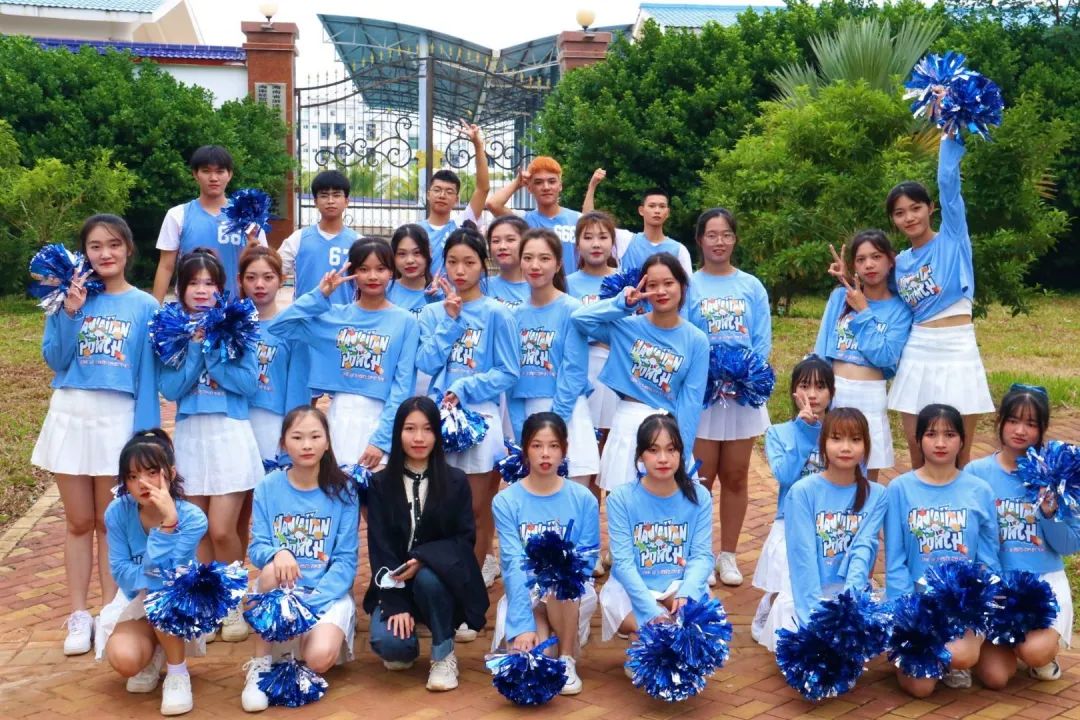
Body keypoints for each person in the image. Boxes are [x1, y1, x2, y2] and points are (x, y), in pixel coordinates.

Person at [32, 214, 160, 656]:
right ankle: (77, 614)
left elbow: (146, 375)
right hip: (72, 413)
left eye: (113, 244)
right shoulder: (66, 296)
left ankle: (109, 611)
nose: (105, 254)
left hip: (117, 420)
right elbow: (55, 359)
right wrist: (70, 311)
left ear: (128, 249)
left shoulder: (145, 305)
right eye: (95, 246)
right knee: (78, 522)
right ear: (84, 252)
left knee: (110, 523)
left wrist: (145, 436)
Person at [158, 249, 262, 642]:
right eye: (193, 283)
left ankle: (232, 603)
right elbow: (170, 388)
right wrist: (193, 348)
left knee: (221, 529)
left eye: (209, 283)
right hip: (191, 436)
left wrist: (212, 352)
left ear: (221, 288)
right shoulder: (170, 329)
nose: (201, 291)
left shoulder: (238, 325)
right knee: (198, 529)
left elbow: (247, 384)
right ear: (181, 289)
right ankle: (206, 605)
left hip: (229, 434)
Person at [875, 133, 993, 467]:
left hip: (958, 348)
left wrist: (949, 134)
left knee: (960, 453)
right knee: (918, 450)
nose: (909, 217)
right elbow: (875, 289)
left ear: (931, 208)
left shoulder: (952, 239)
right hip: (918, 351)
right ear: (893, 220)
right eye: (900, 213)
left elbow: (948, 184)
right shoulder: (899, 263)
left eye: (916, 208)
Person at [416, 225, 519, 590]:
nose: (460, 270)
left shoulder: (497, 314)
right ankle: (439, 584)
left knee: (475, 508)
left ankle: (469, 587)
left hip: (480, 419)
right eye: (452, 262)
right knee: (435, 508)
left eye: (469, 262)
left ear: (483, 265)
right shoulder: (432, 313)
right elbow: (425, 363)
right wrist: (449, 321)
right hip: (437, 421)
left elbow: (508, 371)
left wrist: (465, 387)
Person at [364, 397, 488, 691]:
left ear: (437, 434)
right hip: (395, 582)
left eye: (427, 429)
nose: (418, 438)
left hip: (440, 581)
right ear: (398, 433)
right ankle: (408, 636)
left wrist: (423, 559)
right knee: (392, 647)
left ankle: (443, 654)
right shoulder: (380, 484)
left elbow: (463, 540)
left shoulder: (455, 481)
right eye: (410, 429)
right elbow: (380, 548)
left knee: (429, 578)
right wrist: (395, 603)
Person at [241, 407, 359, 713]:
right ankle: (260, 666)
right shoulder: (268, 486)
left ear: (327, 442)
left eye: (315, 437)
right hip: (282, 591)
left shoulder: (344, 490)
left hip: (323, 596)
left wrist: (312, 604)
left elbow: (345, 561)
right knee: (270, 572)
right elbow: (257, 547)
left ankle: (302, 648)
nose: (307, 445)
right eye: (297, 437)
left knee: (318, 658)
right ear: (283, 443)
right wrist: (278, 553)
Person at [270, 239, 419, 469]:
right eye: (363, 269)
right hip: (340, 418)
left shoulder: (406, 322)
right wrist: (319, 295)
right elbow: (279, 326)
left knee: (376, 490)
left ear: (391, 272)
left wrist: (381, 441)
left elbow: (403, 385)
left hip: (381, 420)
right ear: (352, 273)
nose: (372, 276)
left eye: (380, 269)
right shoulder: (334, 316)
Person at [885, 404, 1000, 697]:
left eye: (949, 434)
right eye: (931, 434)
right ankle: (918, 658)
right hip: (918, 603)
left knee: (961, 654)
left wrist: (976, 604)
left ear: (962, 440)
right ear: (918, 440)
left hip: (962, 606)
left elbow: (988, 559)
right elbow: (895, 559)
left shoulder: (980, 490)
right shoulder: (899, 489)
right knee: (920, 689)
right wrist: (904, 612)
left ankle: (952, 659)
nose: (940, 442)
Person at [968, 385, 1079, 687]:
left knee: (1033, 651)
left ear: (1042, 429)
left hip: (1044, 583)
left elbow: (1069, 544)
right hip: (998, 585)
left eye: (1031, 424)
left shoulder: (1056, 475)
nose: (1020, 430)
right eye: (1013, 420)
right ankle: (1010, 646)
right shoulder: (977, 473)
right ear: (1000, 422)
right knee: (994, 678)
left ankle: (1042, 654)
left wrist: (1049, 513)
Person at [685, 208, 772, 587]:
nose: (719, 242)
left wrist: (746, 376)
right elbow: (682, 336)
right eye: (712, 235)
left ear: (735, 239)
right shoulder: (689, 285)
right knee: (700, 478)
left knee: (736, 475)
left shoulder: (751, 286)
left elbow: (762, 340)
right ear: (700, 240)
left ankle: (729, 554)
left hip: (741, 395)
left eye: (726, 235)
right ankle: (699, 556)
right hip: (703, 396)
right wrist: (703, 376)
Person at [573, 253, 709, 492]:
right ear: (643, 289)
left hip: (668, 432)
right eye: (652, 285)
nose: (661, 291)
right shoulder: (627, 328)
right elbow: (580, 319)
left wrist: (681, 452)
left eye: (669, 283)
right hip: (628, 426)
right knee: (622, 503)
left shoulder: (696, 340)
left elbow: (691, 403)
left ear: (682, 286)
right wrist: (622, 304)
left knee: (663, 507)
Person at [97, 430, 207, 716]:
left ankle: (178, 673)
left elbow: (169, 576)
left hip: (178, 602)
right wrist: (153, 570)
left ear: (171, 473)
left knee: (160, 592)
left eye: (151, 472)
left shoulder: (193, 518)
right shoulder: (117, 512)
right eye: (132, 476)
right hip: (135, 598)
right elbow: (121, 573)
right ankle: (155, 652)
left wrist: (169, 523)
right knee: (125, 660)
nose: (142, 483)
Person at [760, 408, 886, 653]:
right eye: (836, 438)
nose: (846, 447)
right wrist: (815, 622)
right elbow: (803, 558)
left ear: (866, 446)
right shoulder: (802, 492)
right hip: (805, 597)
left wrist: (848, 611)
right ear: (823, 444)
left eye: (855, 439)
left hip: (848, 596)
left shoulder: (877, 495)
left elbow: (862, 551)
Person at [491, 413, 600, 696]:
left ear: (564, 449)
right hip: (524, 592)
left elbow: (587, 560)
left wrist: (555, 582)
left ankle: (568, 657)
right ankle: (553, 637)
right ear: (525, 449)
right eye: (537, 445)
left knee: (560, 579)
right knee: (534, 661)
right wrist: (524, 624)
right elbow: (512, 563)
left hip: (569, 592)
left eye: (553, 446)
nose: (545, 454)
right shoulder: (506, 501)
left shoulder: (583, 498)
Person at [599, 414, 713, 663]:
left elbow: (702, 556)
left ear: (681, 453)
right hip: (633, 587)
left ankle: (649, 638)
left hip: (677, 584)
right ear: (640, 455)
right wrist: (652, 612)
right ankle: (641, 637)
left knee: (701, 620)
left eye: (671, 450)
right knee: (659, 633)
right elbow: (623, 564)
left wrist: (687, 593)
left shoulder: (699, 496)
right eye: (653, 450)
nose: (663, 458)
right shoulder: (621, 498)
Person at [815, 230, 912, 479]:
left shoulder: (900, 309)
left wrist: (864, 311)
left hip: (871, 397)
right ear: (854, 265)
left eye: (876, 257)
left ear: (890, 261)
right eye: (861, 259)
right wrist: (817, 390)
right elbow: (822, 349)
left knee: (866, 481)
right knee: (829, 472)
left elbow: (885, 356)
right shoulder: (840, 297)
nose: (869, 264)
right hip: (835, 393)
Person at [752, 355, 834, 645]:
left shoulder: (840, 434)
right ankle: (770, 604)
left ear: (832, 393)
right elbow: (786, 475)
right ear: (793, 392)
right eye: (805, 386)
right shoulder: (778, 433)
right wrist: (805, 431)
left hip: (830, 522)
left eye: (821, 387)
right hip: (790, 519)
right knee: (786, 577)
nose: (812, 394)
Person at [508, 229, 599, 486]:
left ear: (558, 264)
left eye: (544, 258)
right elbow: (511, 379)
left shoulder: (572, 310)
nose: (535, 266)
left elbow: (573, 373)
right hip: (529, 417)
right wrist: (523, 434)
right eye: (528, 258)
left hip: (567, 416)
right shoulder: (514, 317)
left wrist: (553, 427)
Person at [152, 145, 265, 301]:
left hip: (236, 308)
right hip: (191, 308)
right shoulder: (178, 215)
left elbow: (262, 263)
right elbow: (166, 266)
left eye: (220, 171)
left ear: (230, 174)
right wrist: (155, 308)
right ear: (195, 174)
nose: (213, 178)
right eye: (206, 171)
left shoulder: (248, 217)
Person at [237, 246, 308, 462]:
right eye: (251, 277)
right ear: (240, 280)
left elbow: (298, 390)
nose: (259, 285)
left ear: (281, 279)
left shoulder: (292, 328)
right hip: (234, 421)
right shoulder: (230, 326)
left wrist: (293, 435)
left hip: (272, 425)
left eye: (268, 277)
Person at [565, 212, 619, 440]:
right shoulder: (566, 283)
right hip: (581, 367)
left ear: (612, 243)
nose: (596, 244)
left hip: (618, 366)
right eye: (588, 237)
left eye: (603, 237)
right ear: (577, 245)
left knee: (613, 438)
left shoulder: (626, 281)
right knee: (583, 437)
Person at [277, 169, 359, 305]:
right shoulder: (298, 238)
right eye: (324, 195)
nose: (330, 201)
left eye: (336, 195)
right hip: (305, 316)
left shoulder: (358, 242)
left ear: (346, 201)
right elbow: (273, 271)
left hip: (344, 316)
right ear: (315, 201)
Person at [420, 121, 490, 276]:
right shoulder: (416, 231)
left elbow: (483, 188)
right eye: (437, 190)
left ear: (456, 199)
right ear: (428, 194)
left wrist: (478, 146)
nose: (442, 195)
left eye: (449, 191)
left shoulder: (461, 224)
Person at [487, 156, 582, 265]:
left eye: (552, 181)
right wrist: (517, 183)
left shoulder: (578, 219)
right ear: (529, 188)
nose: (546, 187)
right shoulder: (523, 220)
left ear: (560, 186)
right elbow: (493, 204)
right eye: (538, 182)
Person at [618, 189, 693, 276]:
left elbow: (687, 282)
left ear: (668, 212)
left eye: (662, 206)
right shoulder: (625, 241)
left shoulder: (679, 250)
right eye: (652, 206)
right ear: (641, 210)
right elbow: (602, 225)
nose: (657, 211)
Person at [387, 224, 440, 317]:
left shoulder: (442, 292)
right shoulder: (385, 290)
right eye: (402, 254)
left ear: (429, 252)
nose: (410, 260)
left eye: (417, 252)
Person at [484, 216, 531, 308]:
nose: (502, 246)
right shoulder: (483, 286)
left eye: (510, 240)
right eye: (496, 241)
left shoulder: (540, 286)